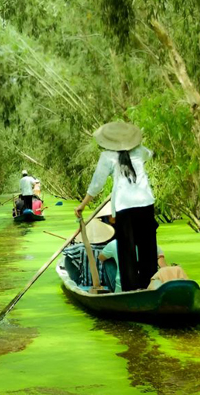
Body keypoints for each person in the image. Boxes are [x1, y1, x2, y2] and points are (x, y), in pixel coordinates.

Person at [75, 121, 157, 291]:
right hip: (146, 204)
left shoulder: (107, 157)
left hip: (125, 207)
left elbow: (97, 184)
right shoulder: (140, 151)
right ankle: (150, 286)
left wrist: (82, 205)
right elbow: (151, 154)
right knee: (148, 248)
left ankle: (131, 291)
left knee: (126, 252)